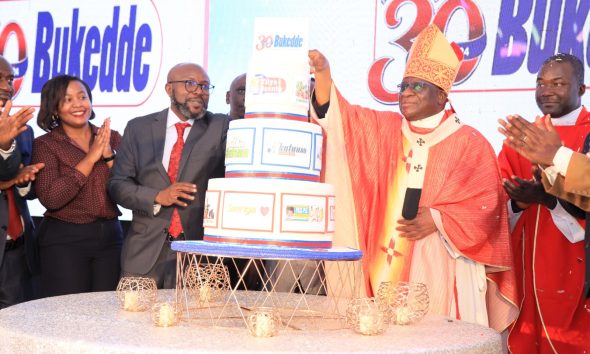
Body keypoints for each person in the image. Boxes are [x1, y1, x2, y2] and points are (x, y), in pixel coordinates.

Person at [309, 24, 517, 331]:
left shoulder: (469, 142)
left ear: (443, 95)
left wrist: (438, 219)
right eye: (403, 86)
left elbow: (488, 207)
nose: (406, 93)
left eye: (417, 86)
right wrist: (324, 76)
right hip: (383, 261)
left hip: (446, 263)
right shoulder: (385, 129)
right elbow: (343, 120)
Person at [497, 53, 590, 351]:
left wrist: (550, 200)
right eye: (541, 83)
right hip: (525, 269)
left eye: (559, 83)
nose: (546, 90)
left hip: (574, 265)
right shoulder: (524, 136)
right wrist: (518, 203)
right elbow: (496, 205)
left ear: (581, 89)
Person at [108, 63, 230, 288]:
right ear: (168, 89)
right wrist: (156, 197)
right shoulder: (138, 128)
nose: (198, 91)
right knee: (134, 320)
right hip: (143, 253)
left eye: (204, 86)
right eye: (190, 84)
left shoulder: (220, 126)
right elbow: (118, 184)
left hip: (198, 255)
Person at [31, 75, 123, 297]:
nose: (78, 104)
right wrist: (90, 158)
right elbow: (52, 198)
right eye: (67, 99)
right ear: (54, 109)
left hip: (110, 237)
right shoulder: (45, 145)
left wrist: (109, 156)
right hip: (64, 240)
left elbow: (129, 186)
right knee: (68, 316)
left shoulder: (111, 137)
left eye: (82, 97)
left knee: (106, 313)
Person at [0, 55, 44, 308]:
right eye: (0, 78)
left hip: (17, 250)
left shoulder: (24, 131)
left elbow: (29, 192)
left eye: (10, 79)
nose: (7, 86)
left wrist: (24, 182)